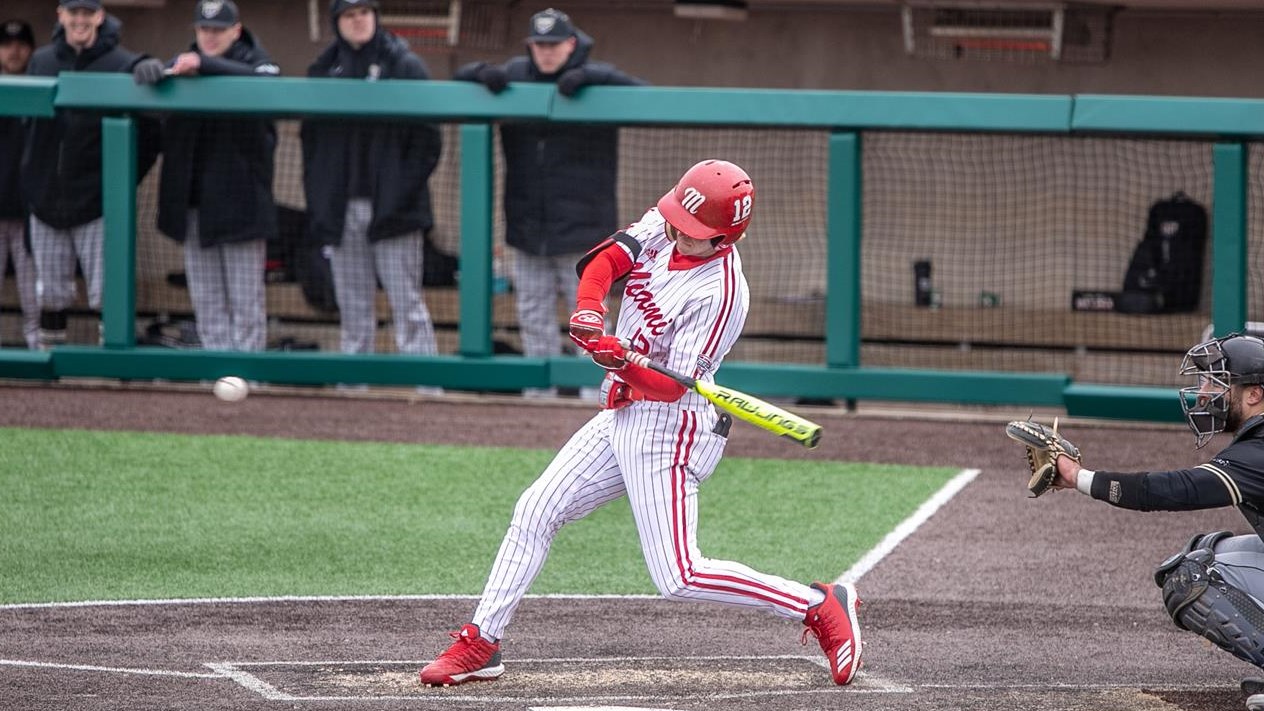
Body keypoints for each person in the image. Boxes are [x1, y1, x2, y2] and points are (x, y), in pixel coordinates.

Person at [418, 160, 863, 688]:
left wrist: (618, 359)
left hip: (671, 429)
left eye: (693, 233)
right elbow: (603, 262)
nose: (677, 232)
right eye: (677, 219)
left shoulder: (721, 293)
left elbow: (672, 386)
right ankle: (481, 643)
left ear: (724, 237)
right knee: (536, 509)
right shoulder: (670, 218)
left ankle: (818, 605)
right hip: (622, 411)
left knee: (680, 576)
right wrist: (589, 312)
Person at [1040, 333, 1264, 711]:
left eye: (1217, 383)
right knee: (1207, 552)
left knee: (1192, 578)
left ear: (1254, 394)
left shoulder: (1257, 452)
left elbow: (1174, 490)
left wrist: (1078, 476)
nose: (1205, 393)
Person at [455, 8, 645, 399]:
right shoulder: (517, 75)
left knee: (591, 320)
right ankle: (538, 398)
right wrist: (480, 71)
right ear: (530, 46)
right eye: (540, 45)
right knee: (533, 315)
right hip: (527, 229)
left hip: (584, 235)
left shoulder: (597, 82)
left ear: (571, 44)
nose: (546, 52)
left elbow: (644, 92)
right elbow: (459, 80)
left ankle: (599, 398)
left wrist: (591, 78)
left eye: (554, 44)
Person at [302, 0, 443, 383]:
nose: (358, 20)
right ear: (337, 22)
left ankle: (424, 383)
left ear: (376, 17)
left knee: (407, 301)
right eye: (349, 15)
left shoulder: (404, 64)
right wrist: (321, 202)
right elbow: (310, 145)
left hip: (394, 211)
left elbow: (428, 142)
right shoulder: (323, 69)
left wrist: (400, 193)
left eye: (364, 12)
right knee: (352, 303)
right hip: (342, 208)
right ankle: (354, 386)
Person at [134, 0, 280, 352]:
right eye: (204, 30)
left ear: (236, 30)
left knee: (246, 304)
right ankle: (213, 374)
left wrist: (206, 64)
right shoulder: (183, 66)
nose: (210, 37)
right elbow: (150, 80)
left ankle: (249, 374)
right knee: (208, 302)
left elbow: (270, 79)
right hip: (194, 208)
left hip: (242, 210)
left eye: (218, 30)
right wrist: (146, 68)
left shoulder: (255, 63)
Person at [22, 0, 161, 348]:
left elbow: (150, 137)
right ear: (61, 15)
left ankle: (111, 373)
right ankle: (48, 366)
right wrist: (33, 183)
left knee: (107, 294)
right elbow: (27, 130)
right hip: (46, 203)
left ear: (100, 16)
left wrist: (118, 184)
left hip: (97, 205)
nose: (80, 20)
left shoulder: (122, 63)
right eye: (74, 12)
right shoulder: (42, 60)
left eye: (88, 13)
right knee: (50, 294)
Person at [0, 19, 38, 349]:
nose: (14, 51)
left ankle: (37, 348)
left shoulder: (43, 88)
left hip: (29, 212)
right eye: (8, 45)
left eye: (21, 45)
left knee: (33, 294)